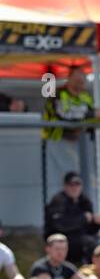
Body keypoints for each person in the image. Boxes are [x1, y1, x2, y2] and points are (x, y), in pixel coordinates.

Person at [42, 66, 97, 197]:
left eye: (83, 77)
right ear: (69, 78)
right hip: (58, 142)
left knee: (85, 179)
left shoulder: (86, 97)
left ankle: (86, 209)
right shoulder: (57, 93)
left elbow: (93, 120)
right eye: (77, 77)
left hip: (81, 144)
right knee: (59, 179)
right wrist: (90, 114)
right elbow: (65, 115)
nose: (80, 80)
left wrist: (88, 117)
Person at [44, 171, 99, 266]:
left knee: (93, 242)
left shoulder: (85, 201)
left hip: (81, 238)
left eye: (77, 184)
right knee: (89, 243)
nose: (75, 188)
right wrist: (83, 218)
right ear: (65, 186)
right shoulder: (58, 200)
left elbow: (90, 230)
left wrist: (96, 223)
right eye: (71, 185)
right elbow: (61, 225)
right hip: (61, 238)